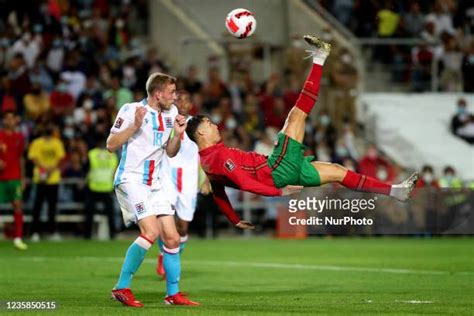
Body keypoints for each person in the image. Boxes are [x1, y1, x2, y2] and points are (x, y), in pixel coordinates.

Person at [186, 35, 419, 228]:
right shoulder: (218, 156)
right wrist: (279, 192)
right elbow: (245, 183)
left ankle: (396, 191)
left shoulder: (208, 160)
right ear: (200, 134)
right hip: (276, 170)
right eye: (208, 124)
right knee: (297, 114)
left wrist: (234, 219)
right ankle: (320, 57)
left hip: (280, 170)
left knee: (338, 172)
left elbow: (218, 191)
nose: (215, 125)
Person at [108, 72, 198, 307]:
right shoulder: (131, 110)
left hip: (155, 183)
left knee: (172, 237)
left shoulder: (172, 113)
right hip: (131, 180)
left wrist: (178, 135)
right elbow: (111, 144)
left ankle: (172, 294)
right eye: (171, 92)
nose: (175, 96)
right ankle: (121, 287)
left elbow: (170, 151)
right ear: (158, 94)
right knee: (150, 232)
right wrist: (135, 126)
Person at [156, 90, 211, 278]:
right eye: (179, 98)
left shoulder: (196, 125)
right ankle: (164, 256)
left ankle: (174, 254)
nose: (183, 102)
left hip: (188, 180)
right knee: (166, 219)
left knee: (183, 226)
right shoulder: (164, 120)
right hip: (166, 176)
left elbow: (205, 153)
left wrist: (206, 179)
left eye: (187, 99)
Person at [28, 124, 65, 242]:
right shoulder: (36, 143)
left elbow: (60, 158)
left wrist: (48, 170)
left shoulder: (57, 143)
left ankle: (52, 232)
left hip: (53, 179)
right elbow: (34, 158)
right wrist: (46, 170)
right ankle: (34, 232)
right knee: (37, 206)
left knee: (52, 207)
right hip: (40, 178)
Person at [0, 111, 27, 250]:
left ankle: (18, 238)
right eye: (7, 118)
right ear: (3, 120)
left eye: (12, 118)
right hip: (1, 178)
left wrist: (23, 178)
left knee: (17, 205)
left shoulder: (19, 137)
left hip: (14, 176)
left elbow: (21, 157)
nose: (10, 121)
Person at [84, 137, 119, 239]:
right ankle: (113, 235)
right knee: (110, 214)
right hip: (107, 187)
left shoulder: (92, 154)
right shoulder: (112, 155)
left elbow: (86, 168)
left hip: (93, 186)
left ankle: (87, 235)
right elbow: (115, 171)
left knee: (89, 213)